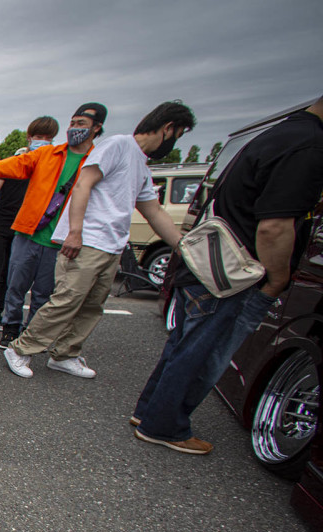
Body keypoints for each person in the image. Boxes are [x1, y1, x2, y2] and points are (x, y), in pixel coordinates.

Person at [132, 95, 323, 455]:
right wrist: (278, 277)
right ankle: (164, 425)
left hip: (209, 264)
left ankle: (150, 413)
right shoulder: (308, 146)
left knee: (184, 347)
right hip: (234, 275)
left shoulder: (280, 133)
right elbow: (274, 228)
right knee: (204, 354)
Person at [3, 101, 196, 381]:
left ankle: (65, 354)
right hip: (88, 241)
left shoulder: (141, 164)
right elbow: (83, 183)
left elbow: (153, 211)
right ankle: (20, 349)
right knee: (66, 300)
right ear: (168, 128)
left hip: (112, 245)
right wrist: (75, 231)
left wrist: (184, 246)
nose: (176, 140)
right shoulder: (118, 145)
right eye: (178, 134)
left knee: (92, 305)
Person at [0, 103, 105, 348]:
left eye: (82, 124)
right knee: (15, 283)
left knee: (45, 293)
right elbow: (17, 164)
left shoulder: (96, 160)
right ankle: (10, 327)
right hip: (28, 231)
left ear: (97, 128)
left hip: (61, 238)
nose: (75, 128)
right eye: (73, 123)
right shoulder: (49, 155)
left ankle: (32, 333)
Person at [0, 116, 60, 335]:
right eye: (39, 137)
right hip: (0, 226)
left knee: (11, 277)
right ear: (30, 139)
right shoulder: (12, 166)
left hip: (24, 229)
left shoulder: (46, 169)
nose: (43, 142)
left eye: (48, 138)